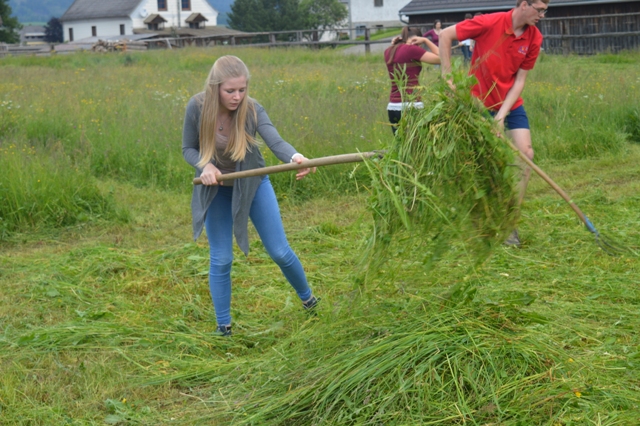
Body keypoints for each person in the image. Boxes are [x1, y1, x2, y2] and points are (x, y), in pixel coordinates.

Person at [182, 55, 319, 336]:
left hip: (253, 184)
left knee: (279, 251)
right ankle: (223, 327)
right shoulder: (197, 107)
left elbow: (275, 141)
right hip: (216, 190)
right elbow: (188, 148)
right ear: (215, 87)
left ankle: (309, 301)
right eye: (230, 91)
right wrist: (205, 166)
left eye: (242, 90)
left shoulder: (253, 109)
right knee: (221, 259)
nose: (237, 97)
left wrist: (296, 157)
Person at [438, 0, 550, 247]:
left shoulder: (534, 37)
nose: (542, 15)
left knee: (525, 154)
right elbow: (445, 35)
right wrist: (447, 77)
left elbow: (520, 81)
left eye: (545, 10)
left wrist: (501, 116)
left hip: (510, 102)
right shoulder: (490, 22)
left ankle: (509, 223)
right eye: (539, 9)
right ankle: (480, 219)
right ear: (524, 4)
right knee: (485, 163)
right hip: (477, 103)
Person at [384, 26, 440, 134]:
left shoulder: (388, 51)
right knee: (417, 142)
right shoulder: (412, 50)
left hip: (393, 106)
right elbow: (441, 58)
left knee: (400, 142)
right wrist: (426, 40)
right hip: (412, 105)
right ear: (417, 39)